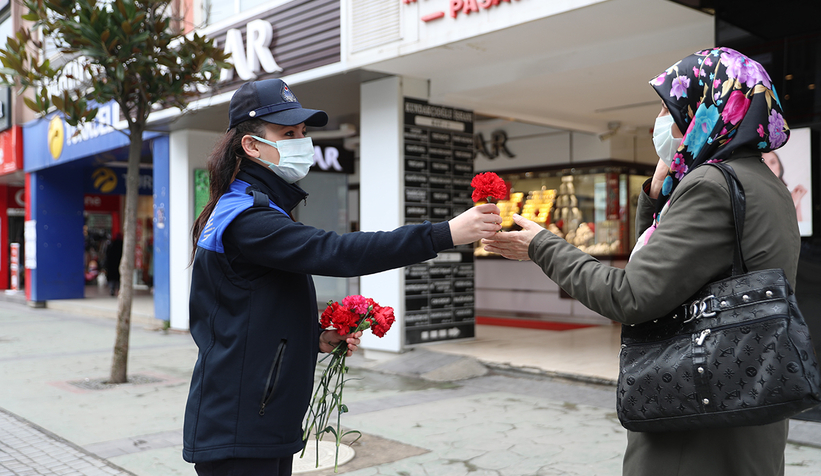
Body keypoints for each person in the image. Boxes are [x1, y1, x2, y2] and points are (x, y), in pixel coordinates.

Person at [482, 47, 799, 476]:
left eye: (671, 107)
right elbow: (674, 264)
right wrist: (656, 195)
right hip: (749, 400)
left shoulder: (711, 183)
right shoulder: (764, 181)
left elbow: (631, 295)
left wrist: (542, 245)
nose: (663, 122)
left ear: (708, 105)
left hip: (700, 415)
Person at [183, 78, 502, 475]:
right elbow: (336, 252)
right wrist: (445, 233)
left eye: (303, 132)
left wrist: (314, 337)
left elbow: (249, 309)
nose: (302, 141)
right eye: (287, 133)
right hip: (240, 424)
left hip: (255, 418)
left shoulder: (250, 207)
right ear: (251, 146)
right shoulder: (248, 218)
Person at [762, 150, 807, 221]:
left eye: (773, 162)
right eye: (763, 163)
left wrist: (798, 200)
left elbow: (800, 228)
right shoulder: (756, 194)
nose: (768, 167)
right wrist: (793, 203)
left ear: (779, 166)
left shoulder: (788, 195)